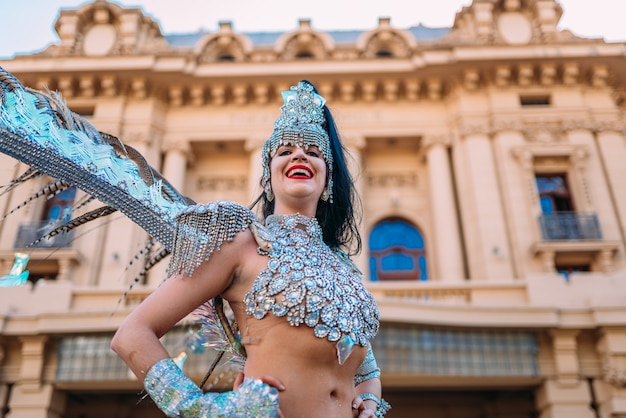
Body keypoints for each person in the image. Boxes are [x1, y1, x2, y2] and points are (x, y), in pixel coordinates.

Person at [110, 80, 391, 418]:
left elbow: (365, 371)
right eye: (285, 151)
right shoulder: (243, 242)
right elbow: (132, 334)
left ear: (327, 180)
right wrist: (203, 409)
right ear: (267, 179)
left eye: (313, 151)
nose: (299, 154)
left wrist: (370, 403)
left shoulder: (342, 266)